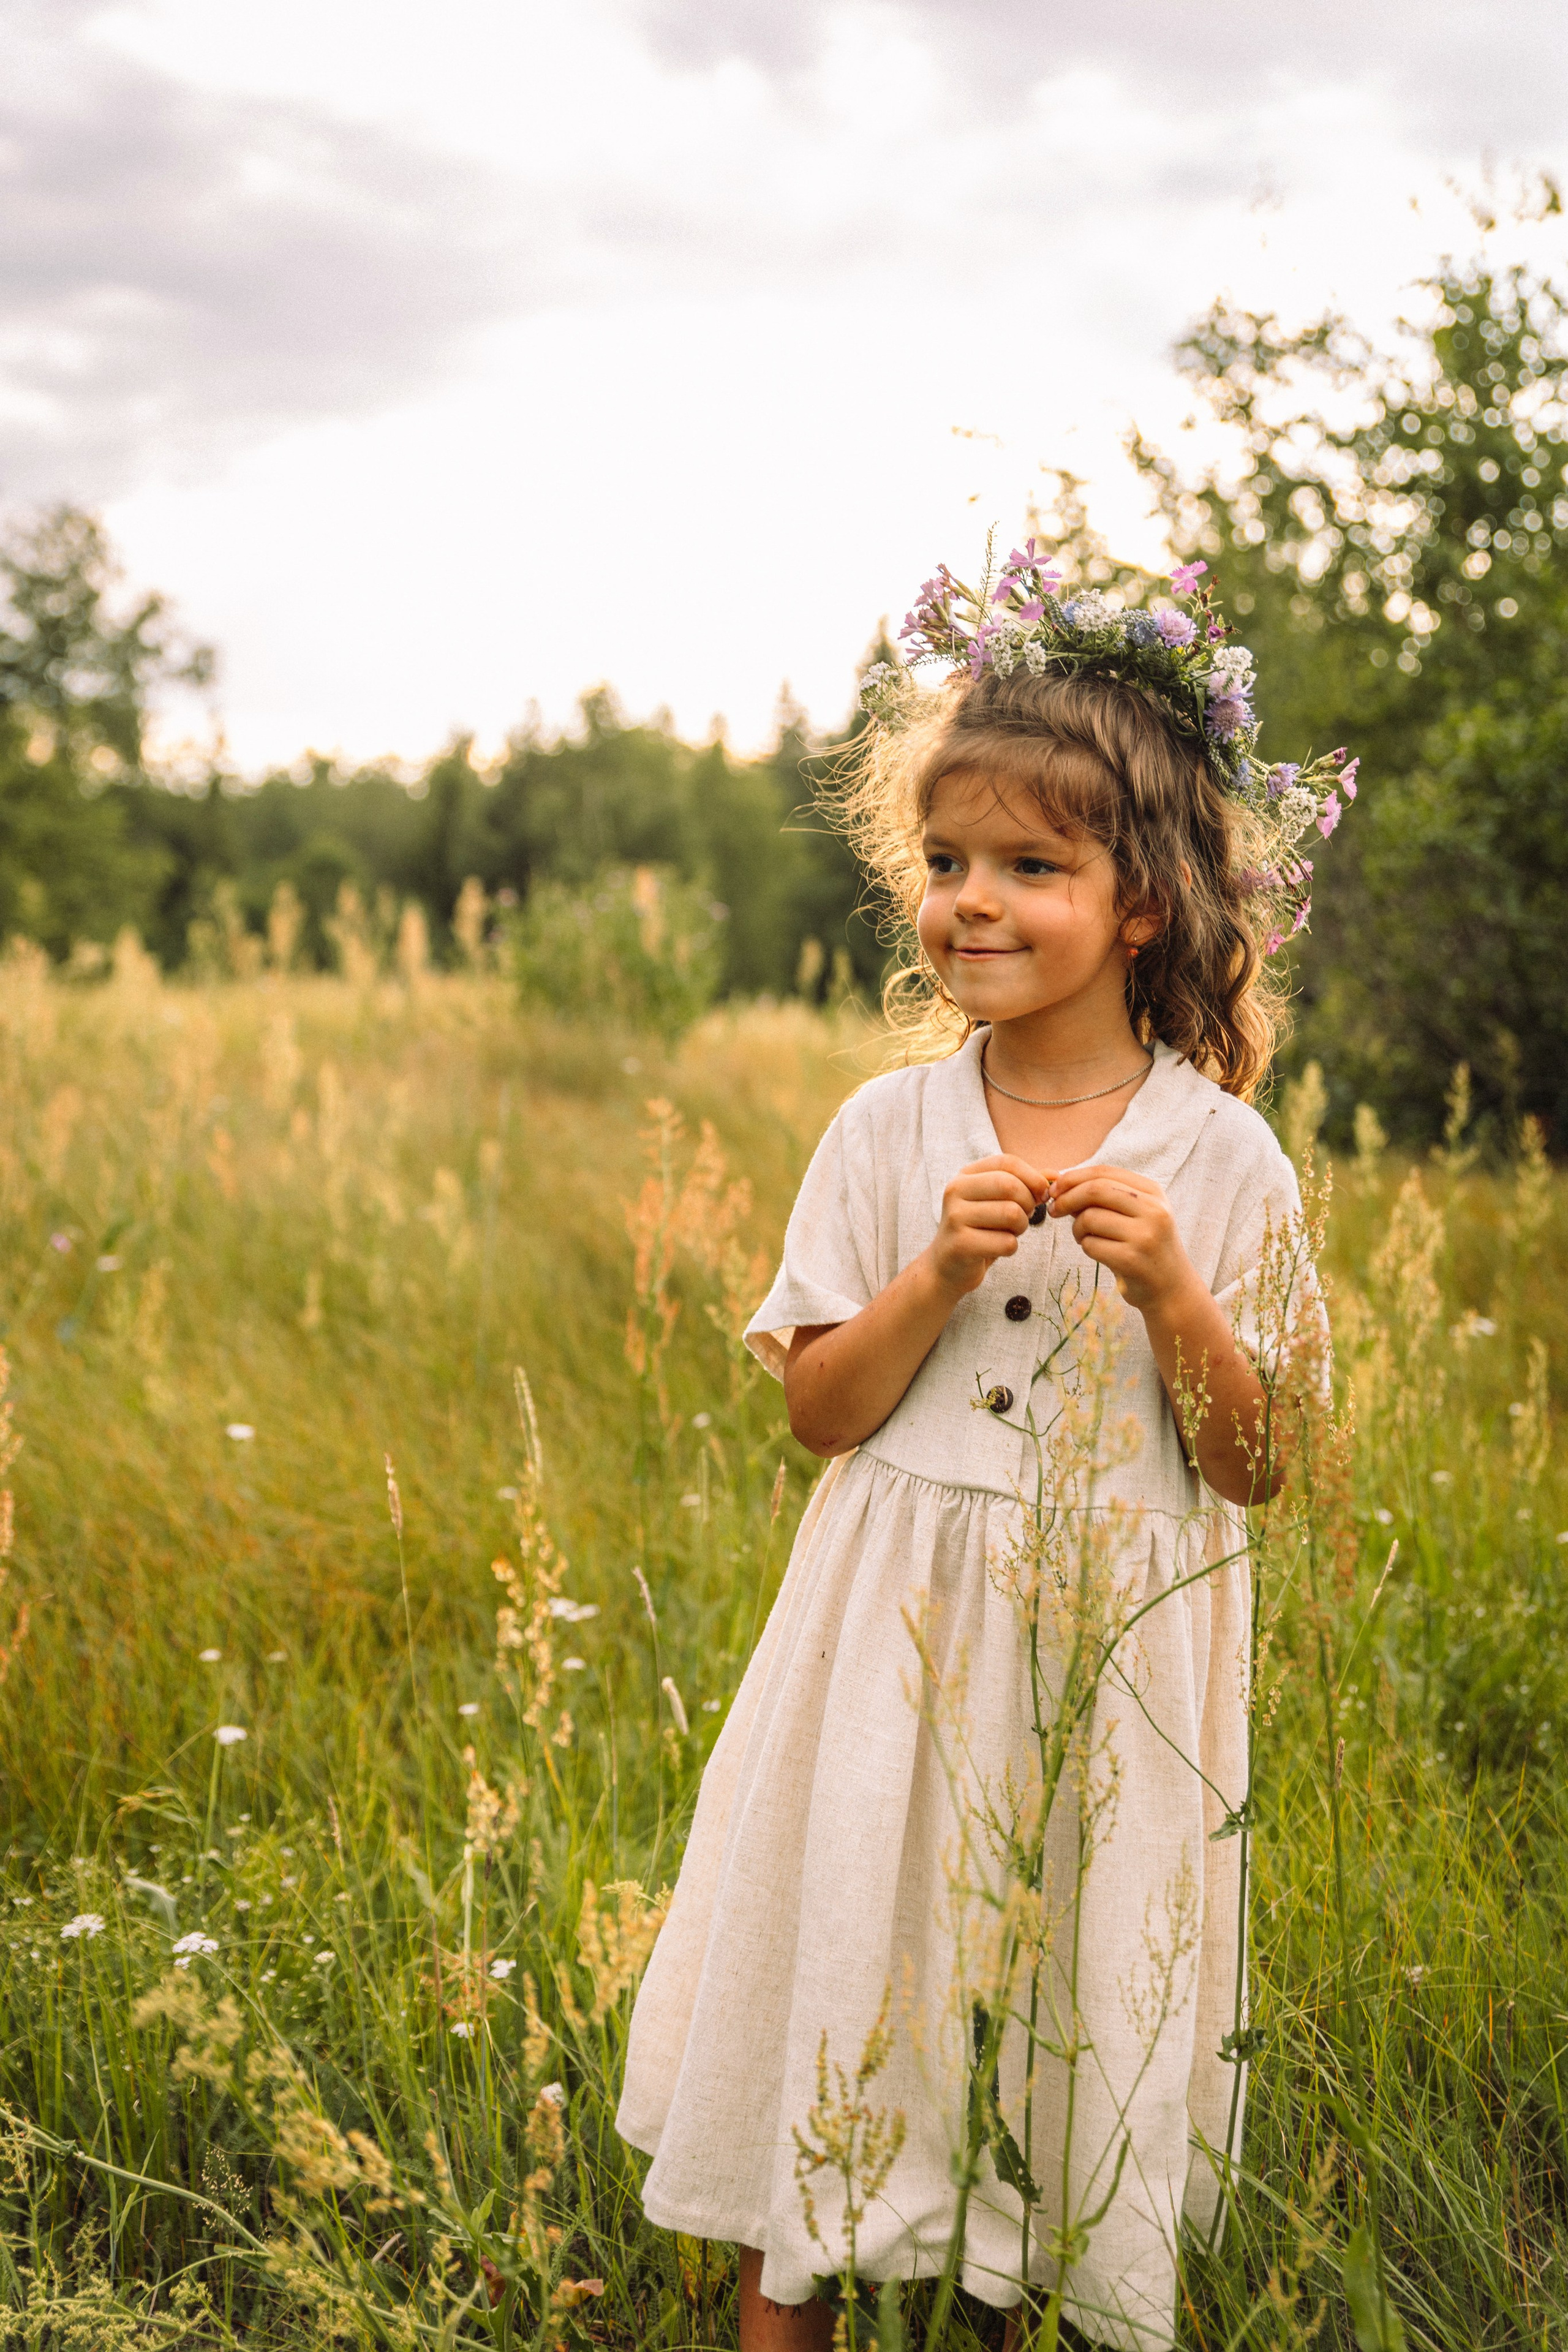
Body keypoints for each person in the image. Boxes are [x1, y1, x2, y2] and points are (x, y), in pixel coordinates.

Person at [616, 549, 1348, 2350]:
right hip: (889, 1644)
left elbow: (1259, 1465)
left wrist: (1180, 1293)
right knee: (851, 1983)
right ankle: (793, 2291)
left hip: (1114, 1668)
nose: (972, 903)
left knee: (1055, 2024)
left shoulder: (1225, 1160)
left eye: (1033, 866)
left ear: (1147, 904)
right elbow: (820, 1413)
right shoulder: (888, 1129)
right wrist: (939, 1268)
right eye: (946, 865)